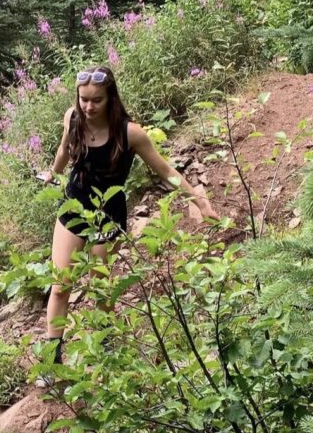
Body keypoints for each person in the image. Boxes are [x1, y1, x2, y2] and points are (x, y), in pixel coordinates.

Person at [35, 65, 217, 382]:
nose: (88, 107)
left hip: (108, 214)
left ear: (111, 98)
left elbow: (166, 171)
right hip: (73, 207)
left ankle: (107, 351)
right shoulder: (73, 118)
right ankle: (52, 362)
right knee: (61, 285)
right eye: (83, 99)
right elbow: (64, 149)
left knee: (101, 286)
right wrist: (53, 172)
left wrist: (199, 200)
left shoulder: (129, 133)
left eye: (97, 100)